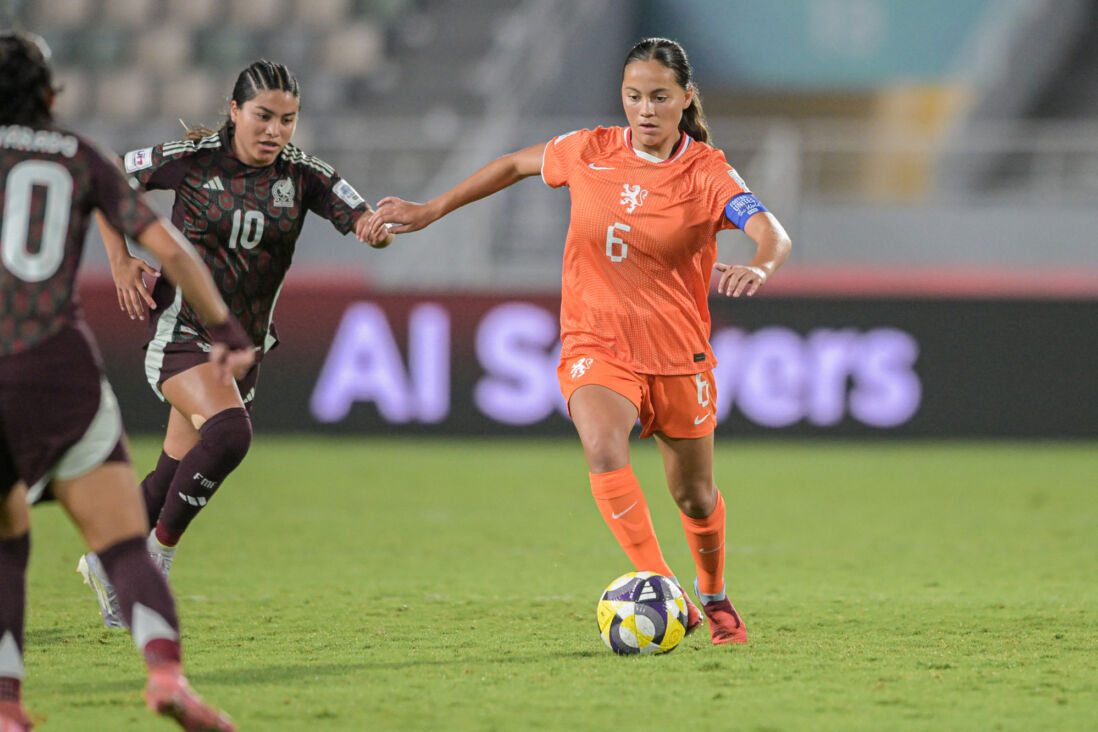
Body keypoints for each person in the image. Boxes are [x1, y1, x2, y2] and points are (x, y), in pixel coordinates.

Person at [361, 37, 792, 646]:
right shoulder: (587, 149)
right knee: (601, 445)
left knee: (694, 497)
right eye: (633, 96)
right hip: (597, 342)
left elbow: (772, 233)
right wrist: (431, 210)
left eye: (659, 97)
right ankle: (663, 585)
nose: (644, 110)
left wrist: (759, 266)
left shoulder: (708, 172)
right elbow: (513, 164)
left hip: (678, 354)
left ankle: (714, 594)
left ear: (686, 98)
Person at [0, 30, 254, 730]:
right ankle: (166, 673)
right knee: (119, 540)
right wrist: (226, 328)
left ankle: (7, 705)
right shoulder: (80, 157)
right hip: (57, 366)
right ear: (50, 95)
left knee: (8, 541)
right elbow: (167, 247)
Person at [82, 58, 393, 626]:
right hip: (181, 330)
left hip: (243, 345)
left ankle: (106, 562)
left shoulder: (303, 174)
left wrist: (374, 230)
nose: (276, 131)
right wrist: (120, 259)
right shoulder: (192, 162)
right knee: (229, 436)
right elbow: (108, 175)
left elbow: (358, 216)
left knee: (171, 473)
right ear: (234, 111)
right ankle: (154, 562)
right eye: (264, 116)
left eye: (289, 120)